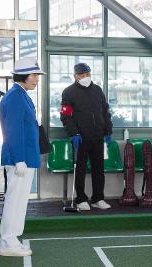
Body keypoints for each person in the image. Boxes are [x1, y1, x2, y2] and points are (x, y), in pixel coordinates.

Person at [0, 58, 45, 257]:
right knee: (14, 201)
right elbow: (13, 130)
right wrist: (19, 159)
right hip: (21, 159)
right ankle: (7, 241)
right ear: (22, 75)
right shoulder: (15, 97)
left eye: (37, 75)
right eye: (34, 75)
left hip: (26, 158)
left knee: (19, 201)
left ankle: (12, 239)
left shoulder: (21, 95)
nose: (36, 79)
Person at [60, 63, 113, 211]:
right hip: (80, 138)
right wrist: (74, 133)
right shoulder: (68, 92)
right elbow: (65, 116)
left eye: (88, 74)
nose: (85, 78)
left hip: (97, 137)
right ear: (75, 76)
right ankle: (81, 199)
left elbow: (105, 112)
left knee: (98, 169)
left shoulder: (97, 90)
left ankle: (98, 198)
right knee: (80, 170)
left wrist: (108, 130)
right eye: (82, 75)